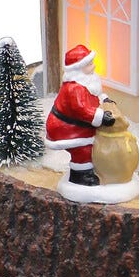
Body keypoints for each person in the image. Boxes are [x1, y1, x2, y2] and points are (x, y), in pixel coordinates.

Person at [45, 44, 114, 186]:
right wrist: (101, 117)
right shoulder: (74, 88)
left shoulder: (87, 80)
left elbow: (94, 95)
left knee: (88, 146)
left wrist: (104, 99)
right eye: (89, 64)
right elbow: (81, 109)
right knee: (82, 149)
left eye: (92, 63)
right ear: (78, 69)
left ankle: (88, 169)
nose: (93, 66)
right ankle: (80, 175)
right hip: (65, 127)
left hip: (77, 123)